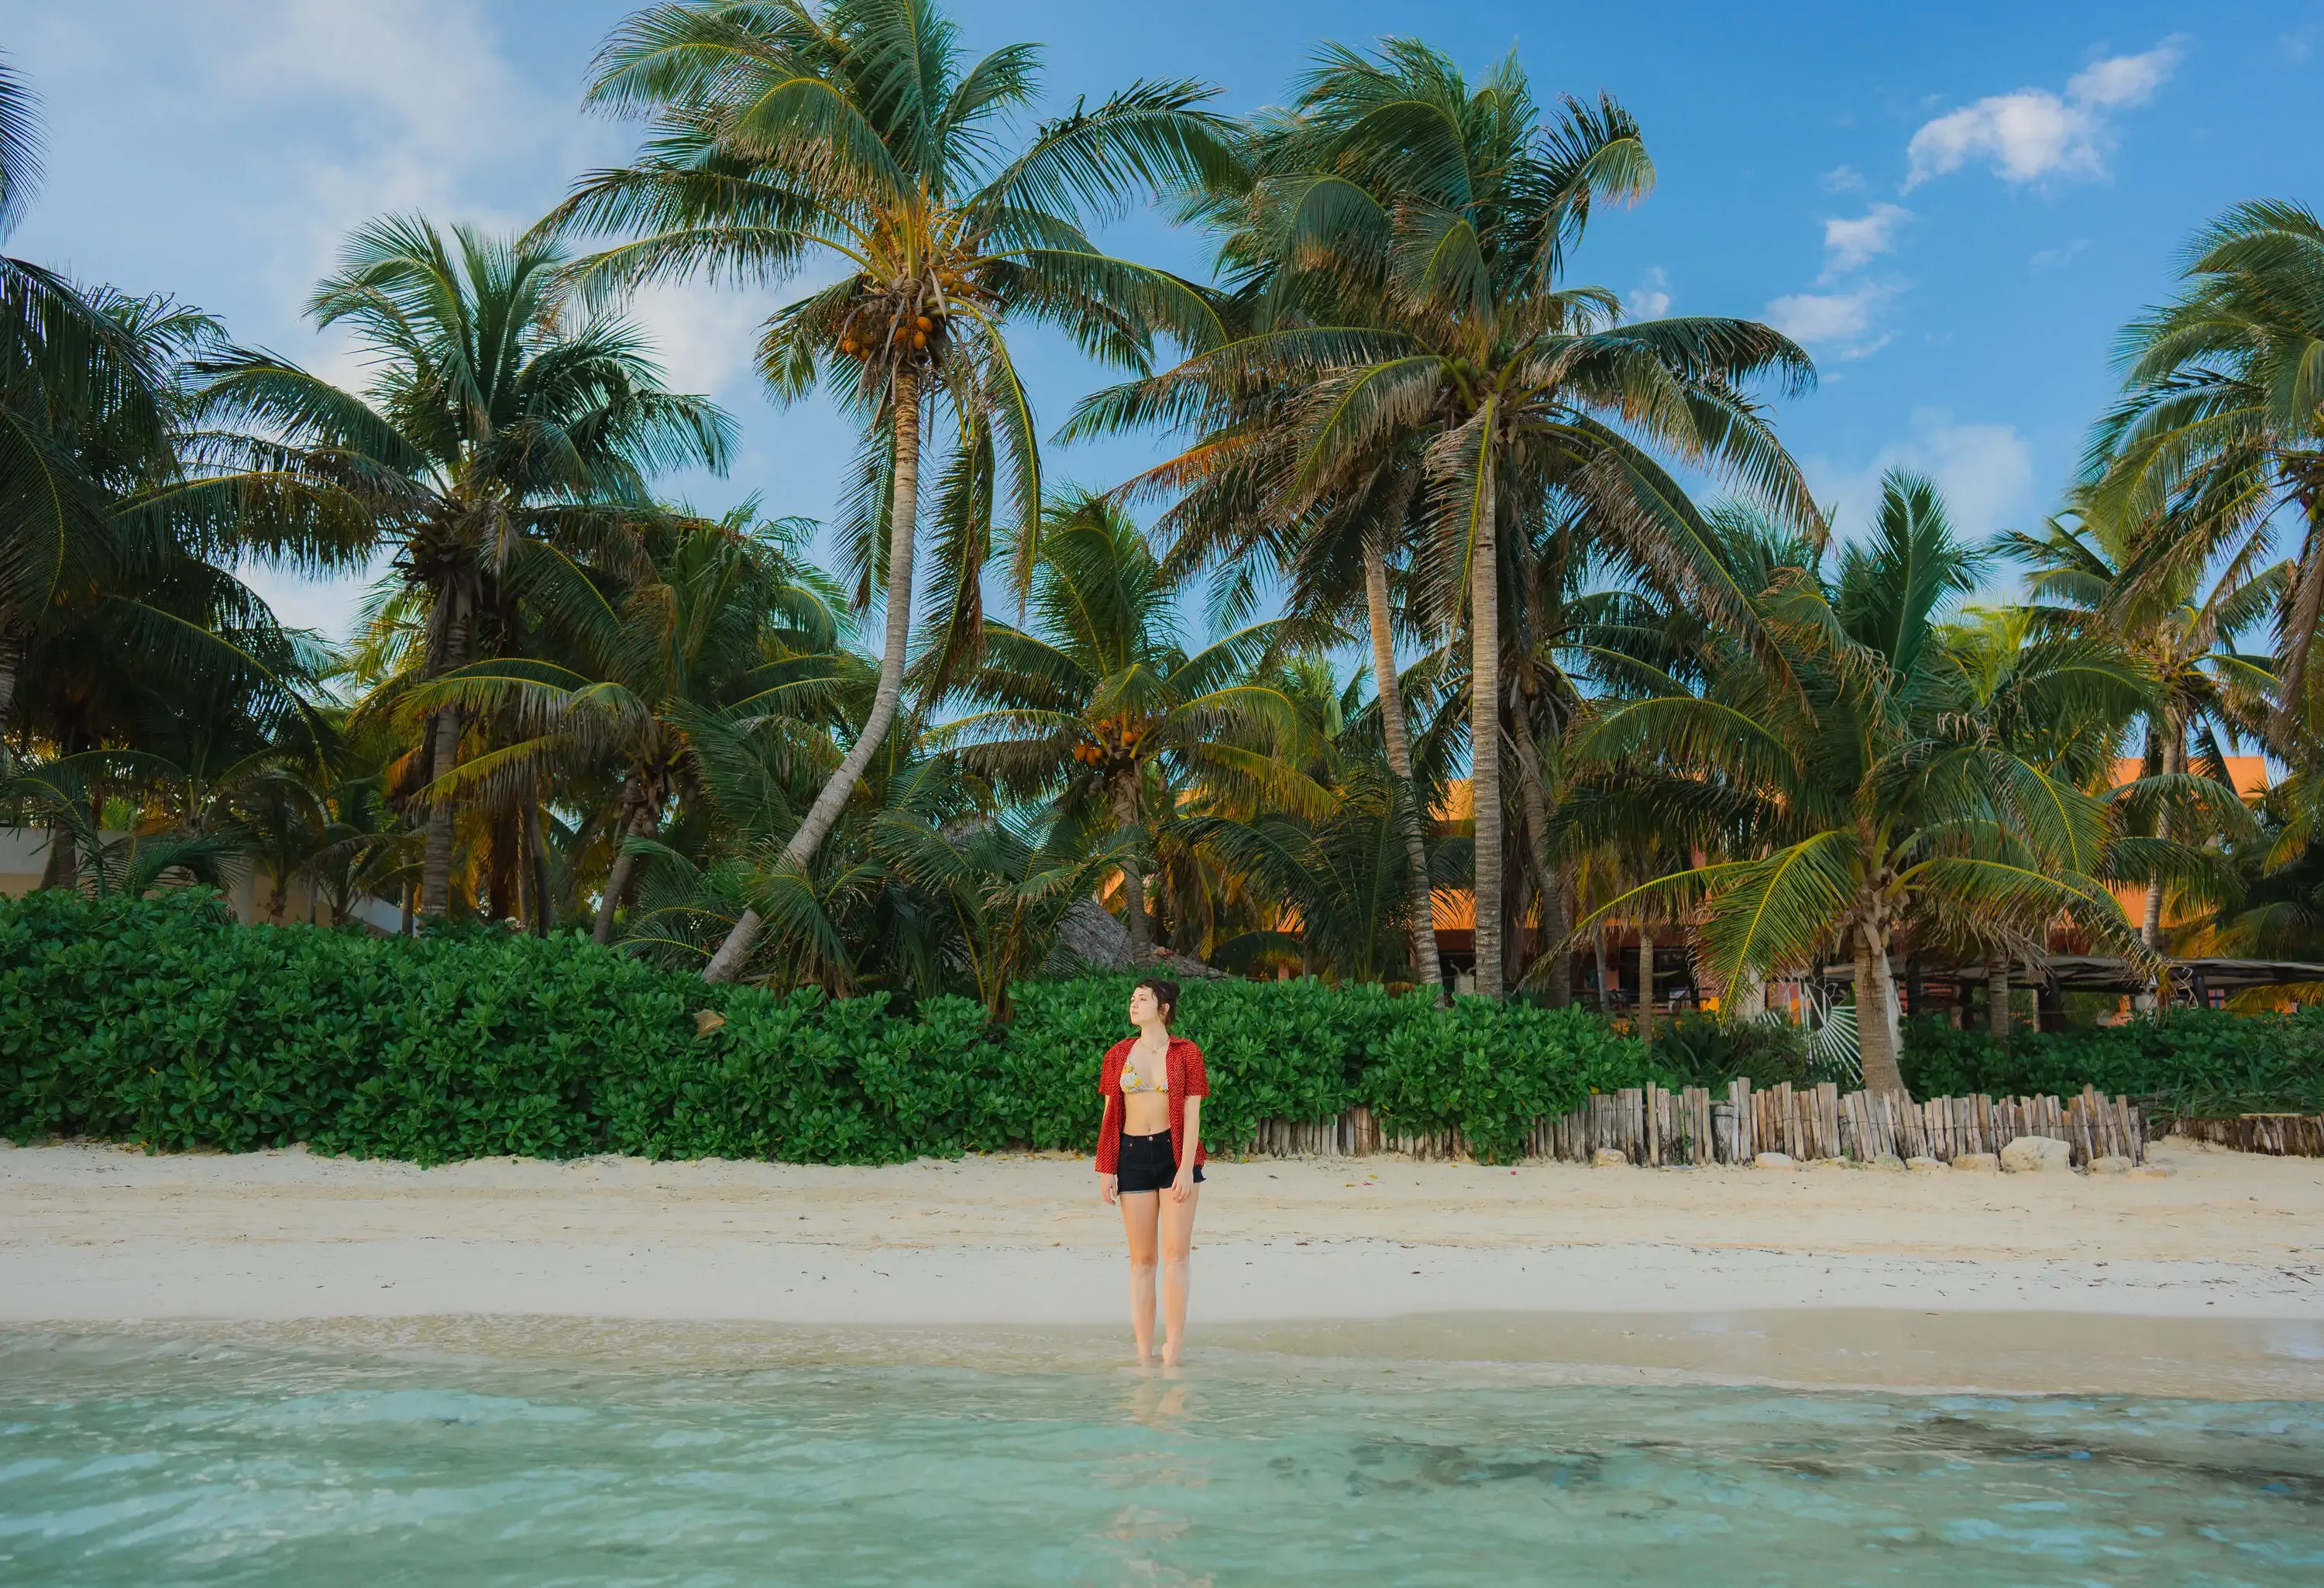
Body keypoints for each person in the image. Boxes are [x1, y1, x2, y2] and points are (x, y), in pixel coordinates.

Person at [1095, 977, 1206, 1366]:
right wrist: (1106, 1169)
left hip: (1175, 1155)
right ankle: (1144, 1355)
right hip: (1131, 1155)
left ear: (1164, 1008)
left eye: (1143, 998)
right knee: (1142, 1261)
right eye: (1132, 999)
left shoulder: (1187, 1053)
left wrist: (1188, 1168)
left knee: (1176, 1257)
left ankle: (1172, 1349)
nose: (1134, 1004)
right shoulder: (1118, 1054)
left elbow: (1192, 1115)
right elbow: (1110, 1115)